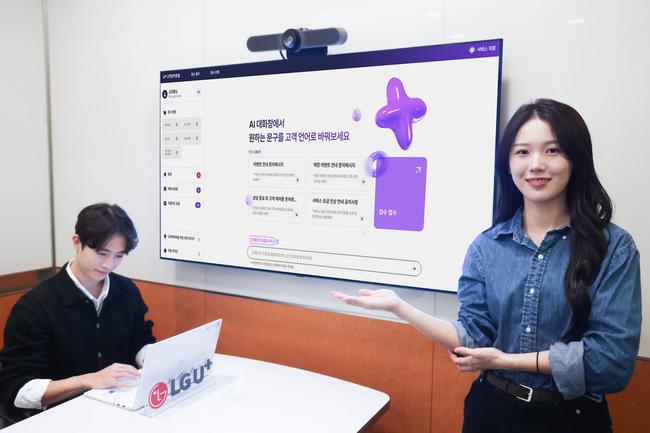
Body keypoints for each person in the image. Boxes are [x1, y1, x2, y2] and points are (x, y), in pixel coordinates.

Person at [332, 99, 641, 433]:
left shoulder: (614, 248)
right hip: (491, 413)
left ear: (576, 159)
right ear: (508, 163)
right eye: (522, 152)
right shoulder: (486, 247)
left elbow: (611, 363)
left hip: (573, 419)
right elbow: (473, 336)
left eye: (552, 150)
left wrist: (506, 361)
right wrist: (400, 307)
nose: (536, 164)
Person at [0, 203, 155, 421]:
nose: (109, 264)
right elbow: (16, 390)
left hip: (120, 411)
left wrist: (158, 360)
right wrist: (87, 381)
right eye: (102, 253)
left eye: (119, 256)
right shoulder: (35, 307)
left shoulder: (126, 291)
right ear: (77, 242)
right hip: (62, 418)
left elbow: (140, 340)